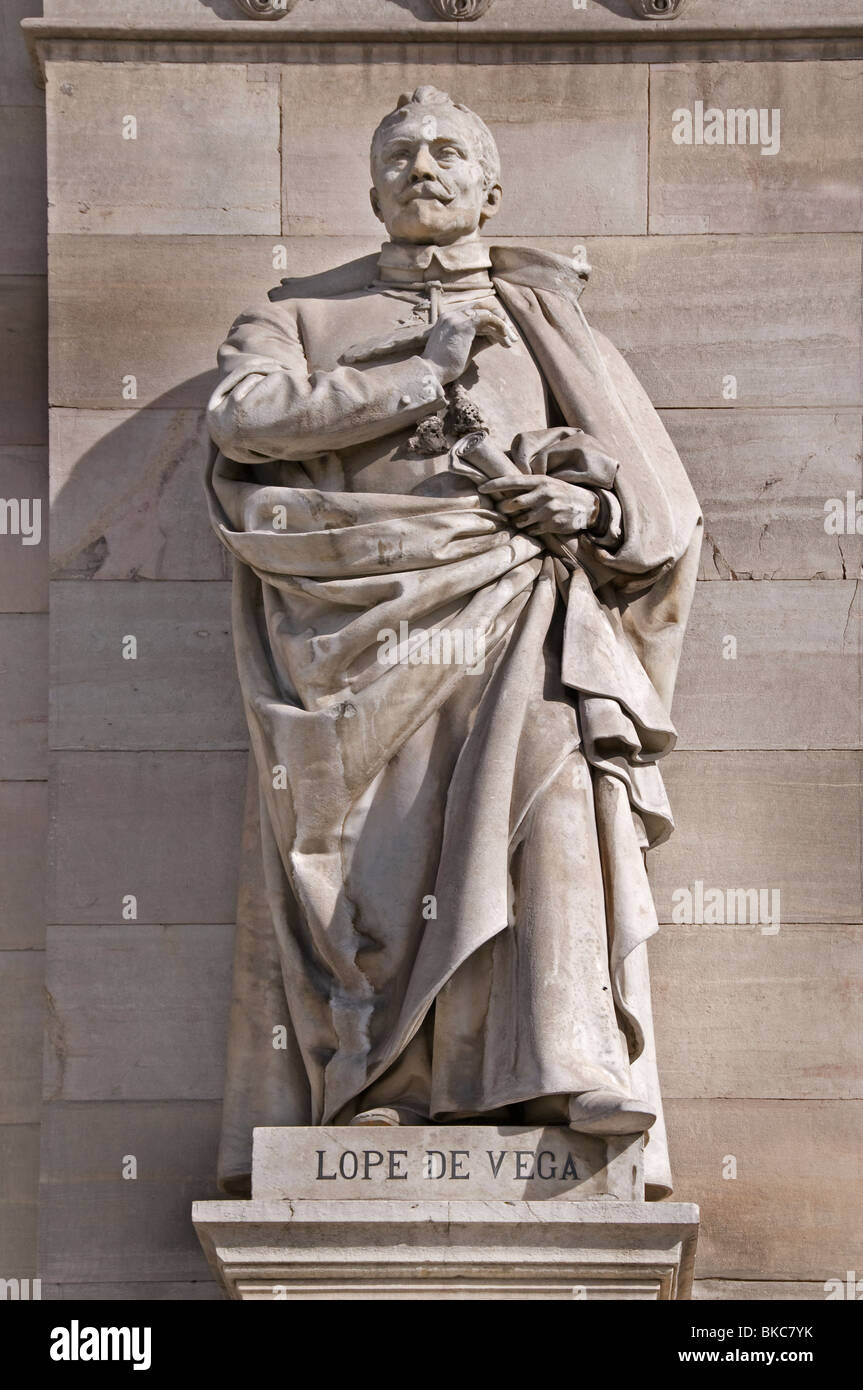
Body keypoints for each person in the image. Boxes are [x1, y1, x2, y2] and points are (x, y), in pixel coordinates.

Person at [205, 85, 701, 1199]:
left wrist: (590, 509)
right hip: (354, 635)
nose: (421, 166)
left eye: (446, 152)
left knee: (555, 799)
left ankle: (565, 1055)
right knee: (381, 856)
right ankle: (379, 1084)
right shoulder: (299, 310)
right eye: (399, 153)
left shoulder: (547, 319)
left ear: (489, 186)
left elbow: (656, 506)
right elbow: (242, 418)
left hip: (524, 605)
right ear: (372, 186)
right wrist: (418, 374)